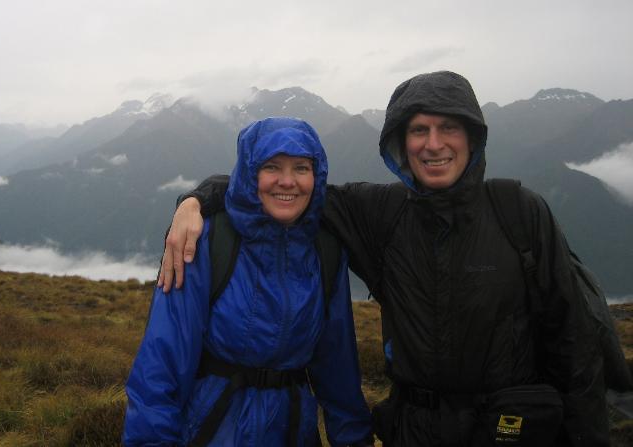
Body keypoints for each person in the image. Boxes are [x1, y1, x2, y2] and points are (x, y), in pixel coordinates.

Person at [158, 72, 609, 446]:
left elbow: (574, 344)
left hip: (509, 430)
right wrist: (194, 200)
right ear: (401, 144)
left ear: (473, 137)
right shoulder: (380, 215)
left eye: (449, 127)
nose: (434, 144)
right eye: (418, 130)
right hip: (414, 430)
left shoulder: (519, 212)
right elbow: (285, 191)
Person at [123, 117, 373, 446]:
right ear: (250, 174)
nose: (288, 181)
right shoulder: (205, 241)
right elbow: (162, 366)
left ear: (317, 175)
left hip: (293, 432)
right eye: (272, 167)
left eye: (301, 168)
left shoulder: (324, 250)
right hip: (213, 431)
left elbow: (338, 368)